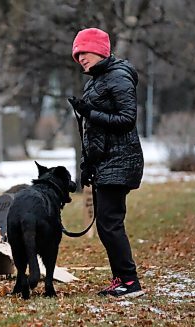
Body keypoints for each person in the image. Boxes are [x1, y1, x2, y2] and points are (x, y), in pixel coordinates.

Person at [68, 27, 145, 298]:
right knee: (106, 224)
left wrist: (90, 111)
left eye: (84, 52)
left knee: (110, 223)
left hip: (120, 160)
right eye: (77, 55)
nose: (80, 58)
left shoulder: (118, 76)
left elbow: (127, 119)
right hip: (105, 163)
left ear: (100, 50)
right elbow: (92, 130)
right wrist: (87, 164)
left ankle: (130, 282)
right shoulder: (96, 81)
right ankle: (121, 280)